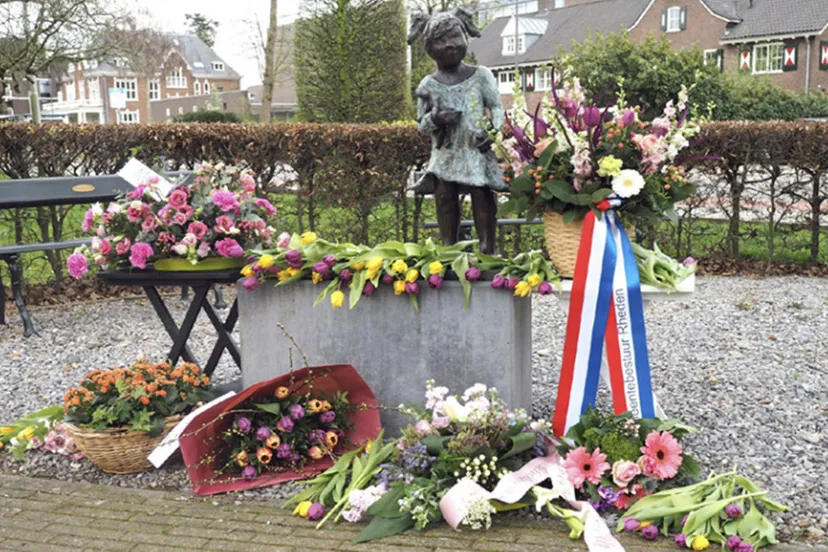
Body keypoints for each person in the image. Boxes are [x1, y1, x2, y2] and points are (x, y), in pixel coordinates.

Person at [409, 8, 505, 255]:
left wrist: (493, 132)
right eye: (441, 41)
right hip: (447, 152)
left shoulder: (481, 75)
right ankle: (449, 249)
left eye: (455, 36)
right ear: (429, 47)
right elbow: (421, 124)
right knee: (445, 197)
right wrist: (436, 118)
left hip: (475, 148)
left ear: (465, 37)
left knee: (483, 195)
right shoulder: (427, 85)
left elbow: (496, 107)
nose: (450, 45)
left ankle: (487, 249)